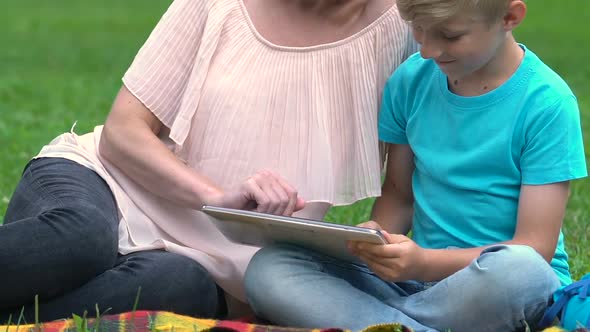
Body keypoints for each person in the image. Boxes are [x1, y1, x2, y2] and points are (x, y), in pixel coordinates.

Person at [0, 0, 417, 323]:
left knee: (184, 289)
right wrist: (218, 198)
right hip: (104, 184)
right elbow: (122, 134)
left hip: (217, 262)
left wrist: (374, 245)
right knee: (81, 237)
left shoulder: (405, 30)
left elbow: (400, 190)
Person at [244, 0, 587, 331]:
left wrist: (424, 262)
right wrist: (374, 239)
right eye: (419, 31)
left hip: (496, 284)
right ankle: (408, 325)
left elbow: (534, 247)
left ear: (510, 17)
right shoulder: (412, 81)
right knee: (269, 268)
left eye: (449, 36)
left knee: (523, 271)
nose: (428, 50)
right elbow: (399, 196)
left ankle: (383, 322)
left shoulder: (547, 104)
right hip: (415, 283)